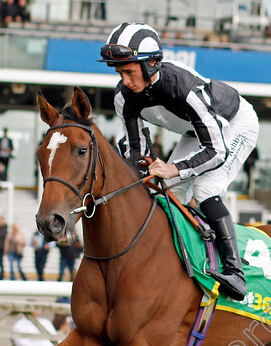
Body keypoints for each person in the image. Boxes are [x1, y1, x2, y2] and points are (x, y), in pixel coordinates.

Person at [101, 23, 259, 300]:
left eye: (128, 71)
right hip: (195, 131)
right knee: (167, 192)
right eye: (119, 72)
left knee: (205, 189)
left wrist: (174, 168)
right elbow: (136, 150)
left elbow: (217, 151)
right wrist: (143, 170)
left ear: (151, 63)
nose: (124, 80)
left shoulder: (183, 88)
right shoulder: (123, 98)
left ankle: (235, 273)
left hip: (235, 125)